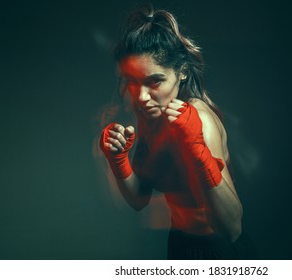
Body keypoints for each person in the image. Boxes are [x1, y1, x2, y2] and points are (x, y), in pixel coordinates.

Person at [99, 5, 251, 259]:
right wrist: (118, 161)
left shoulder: (200, 120)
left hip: (219, 250)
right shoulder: (152, 118)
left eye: (154, 81)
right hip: (179, 246)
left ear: (181, 72)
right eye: (132, 82)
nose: (141, 97)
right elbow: (139, 199)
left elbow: (232, 228)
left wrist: (198, 152)